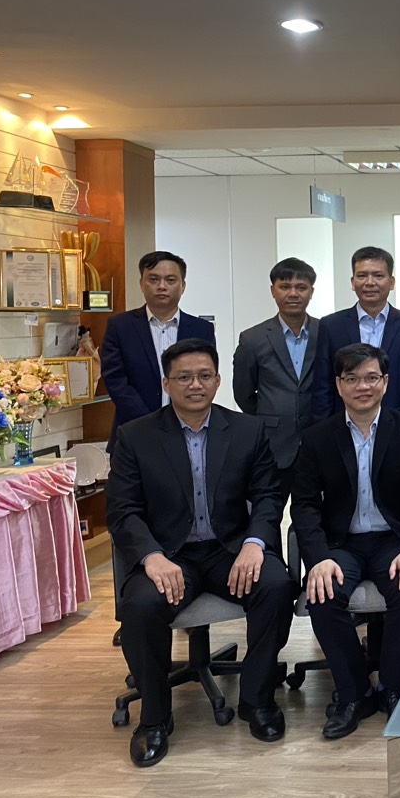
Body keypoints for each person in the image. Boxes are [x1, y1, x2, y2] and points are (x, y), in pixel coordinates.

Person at [106, 338, 293, 767]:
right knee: (140, 604)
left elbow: (268, 496)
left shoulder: (247, 430)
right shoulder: (136, 436)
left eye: (204, 376)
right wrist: (151, 556)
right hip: (169, 554)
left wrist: (254, 544)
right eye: (184, 377)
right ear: (166, 383)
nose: (196, 385)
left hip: (230, 549)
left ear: (218, 380)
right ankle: (155, 718)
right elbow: (122, 510)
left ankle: (257, 700)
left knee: (277, 585)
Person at [290, 343, 400, 737]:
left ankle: (394, 686)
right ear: (339, 385)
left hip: (393, 540)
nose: (362, 386)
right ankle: (354, 693)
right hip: (342, 545)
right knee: (323, 594)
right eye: (352, 378)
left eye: (371, 377)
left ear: (385, 382)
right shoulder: (318, 437)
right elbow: (304, 504)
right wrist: (318, 558)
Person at [101, 251, 214, 449]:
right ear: (141, 284)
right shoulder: (120, 326)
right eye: (153, 279)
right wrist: (150, 423)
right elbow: (115, 380)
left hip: (189, 433)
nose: (162, 286)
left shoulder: (201, 329)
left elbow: (205, 378)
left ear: (183, 286)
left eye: (170, 280)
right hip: (133, 432)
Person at [312, 246, 400, 423]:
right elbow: (323, 385)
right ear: (352, 282)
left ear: (391, 282)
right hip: (343, 424)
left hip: (398, 424)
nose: (370, 282)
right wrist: (324, 430)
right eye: (362, 276)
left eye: (378, 275)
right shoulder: (331, 325)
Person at [231, 257, 318, 498]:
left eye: (301, 287)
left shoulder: (326, 332)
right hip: (273, 442)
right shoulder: (253, 339)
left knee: (314, 511)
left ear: (311, 292)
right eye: (285, 286)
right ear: (273, 290)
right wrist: (268, 417)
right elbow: (243, 393)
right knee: (268, 507)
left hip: (317, 438)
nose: (293, 294)